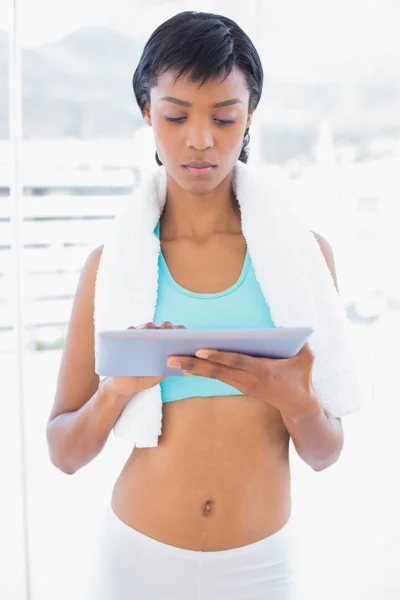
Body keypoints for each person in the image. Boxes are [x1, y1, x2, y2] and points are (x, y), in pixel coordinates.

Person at [46, 11, 347, 600]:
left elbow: (325, 454)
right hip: (137, 560)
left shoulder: (306, 259)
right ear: (146, 113)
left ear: (250, 116)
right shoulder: (111, 266)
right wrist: (118, 390)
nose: (201, 139)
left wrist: (298, 403)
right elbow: (64, 452)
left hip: (261, 566)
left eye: (225, 117)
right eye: (176, 115)